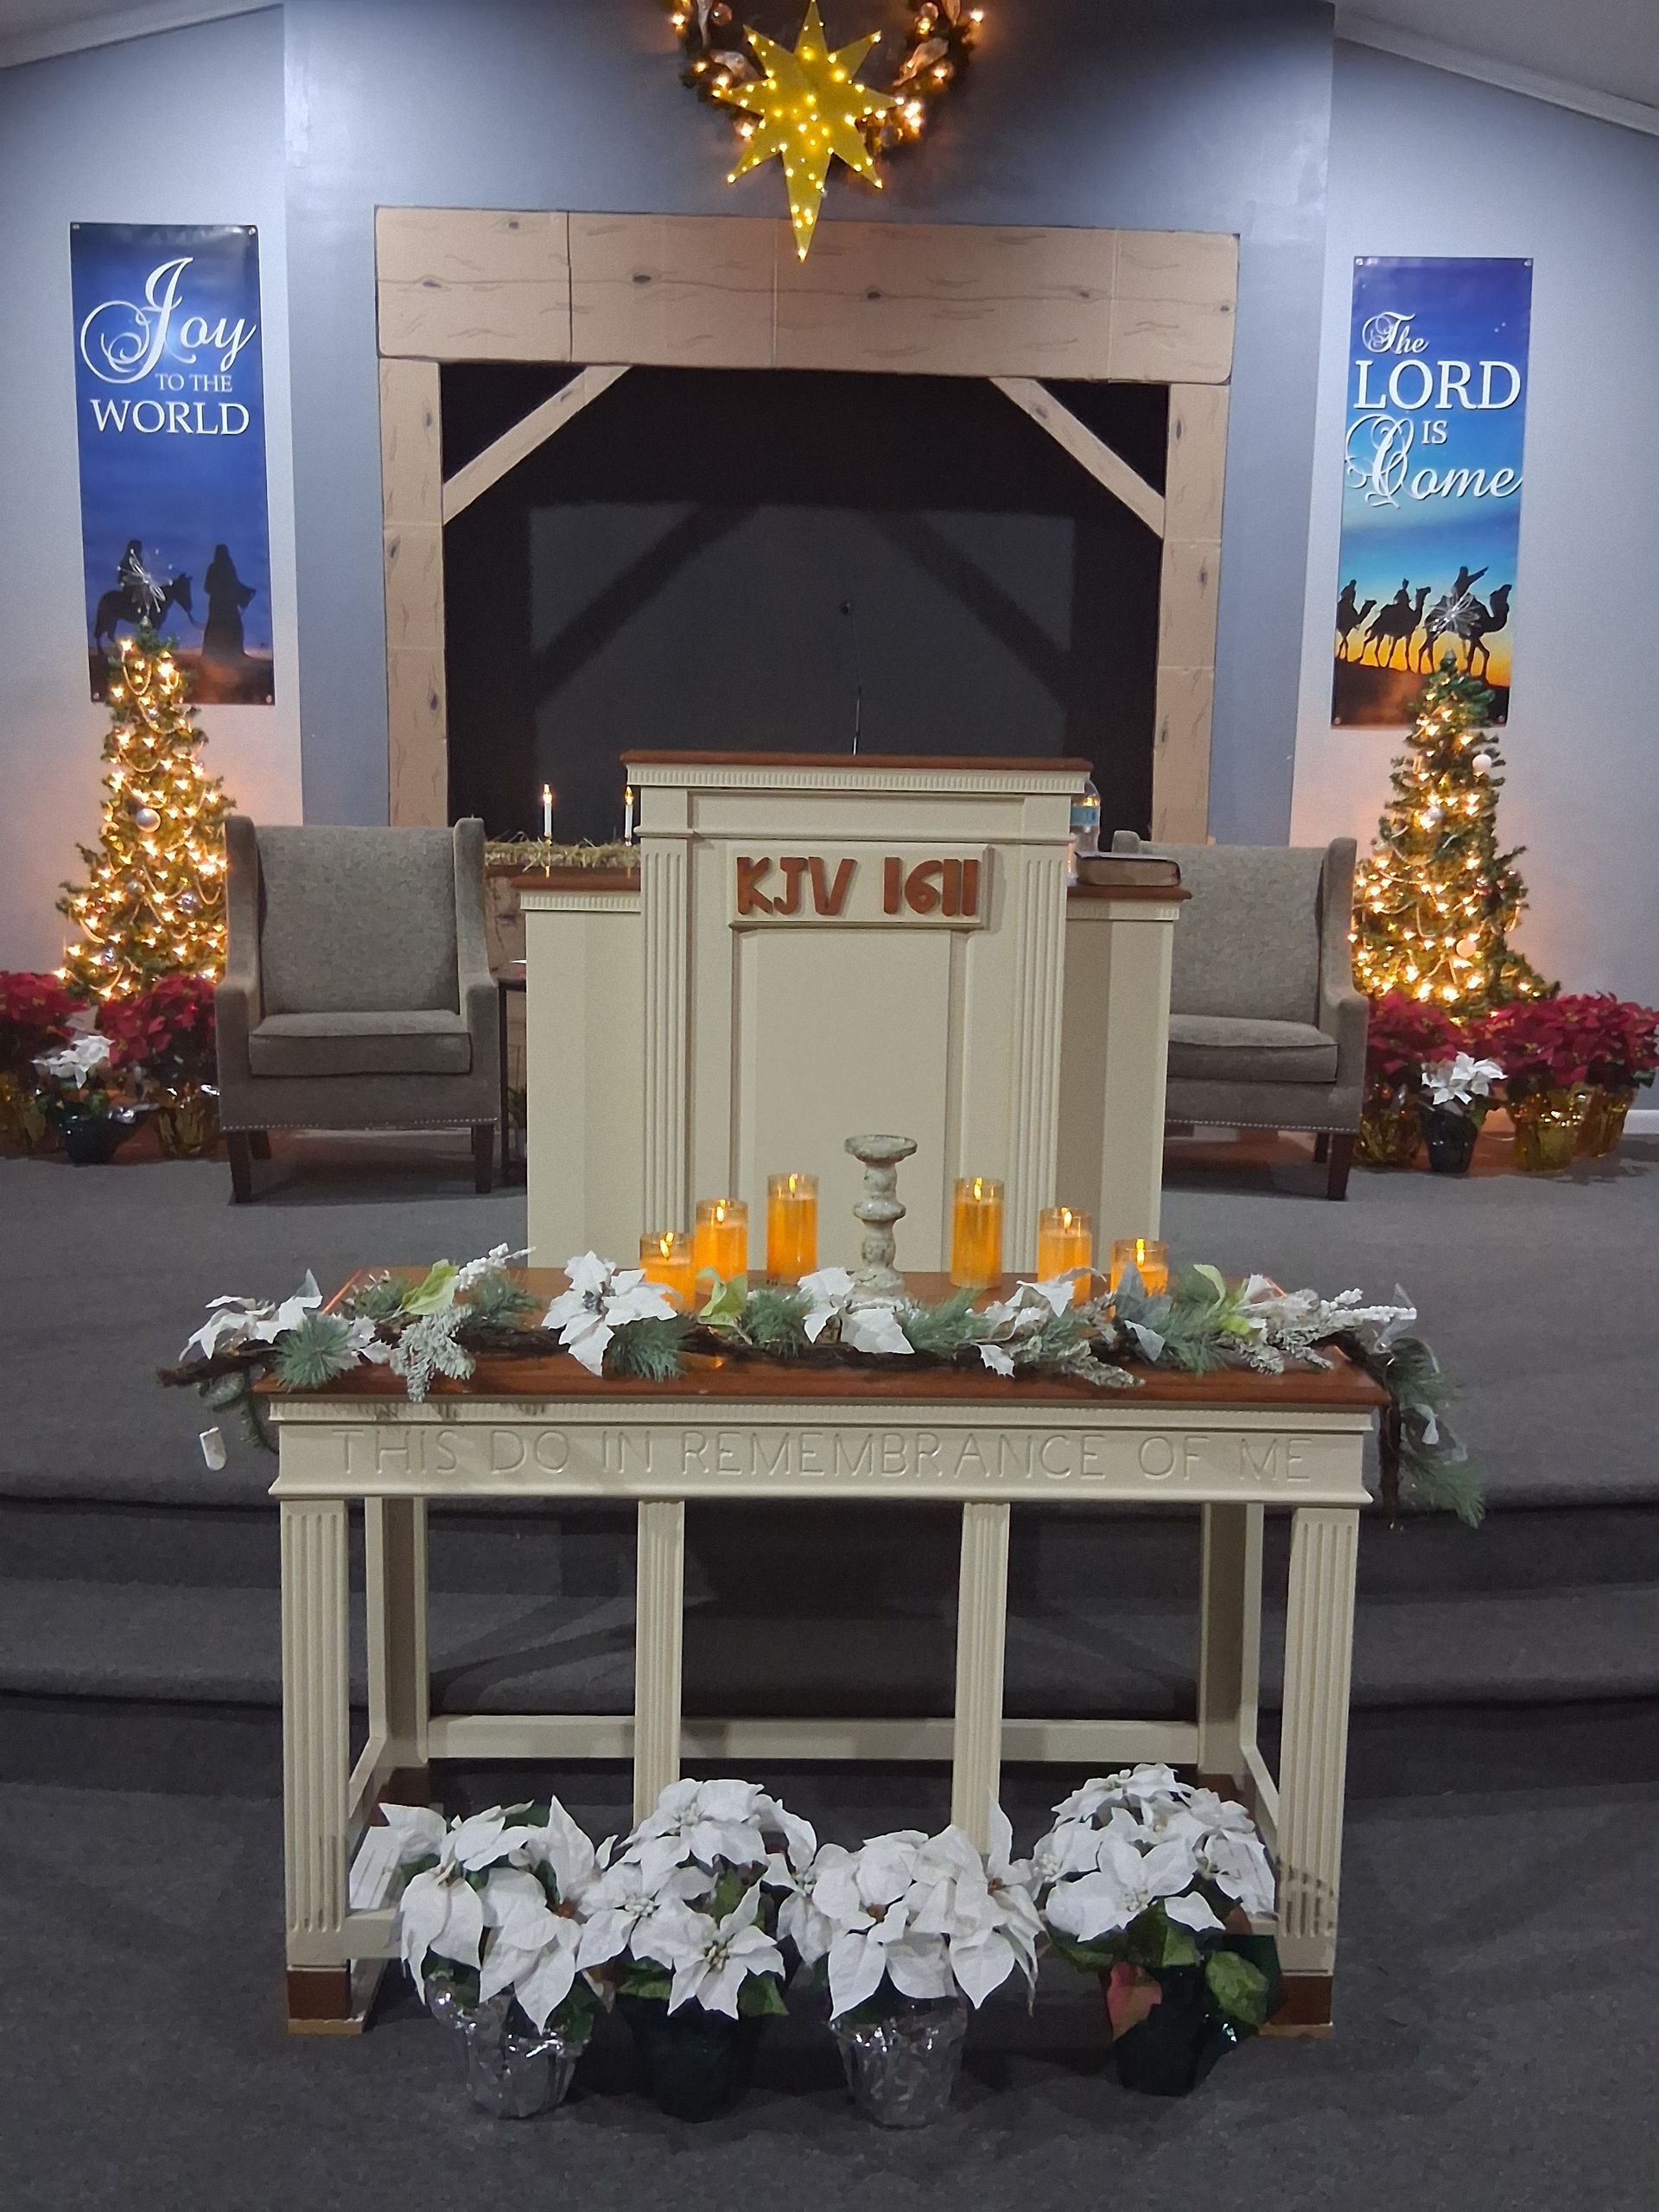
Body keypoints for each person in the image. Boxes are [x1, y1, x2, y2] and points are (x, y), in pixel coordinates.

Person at [201, 543, 256, 665]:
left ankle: (231, 651)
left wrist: (245, 591)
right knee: (227, 627)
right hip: (223, 606)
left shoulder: (220, 568)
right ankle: (217, 653)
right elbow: (210, 587)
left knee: (228, 627)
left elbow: (232, 584)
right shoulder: (225, 568)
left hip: (223, 605)